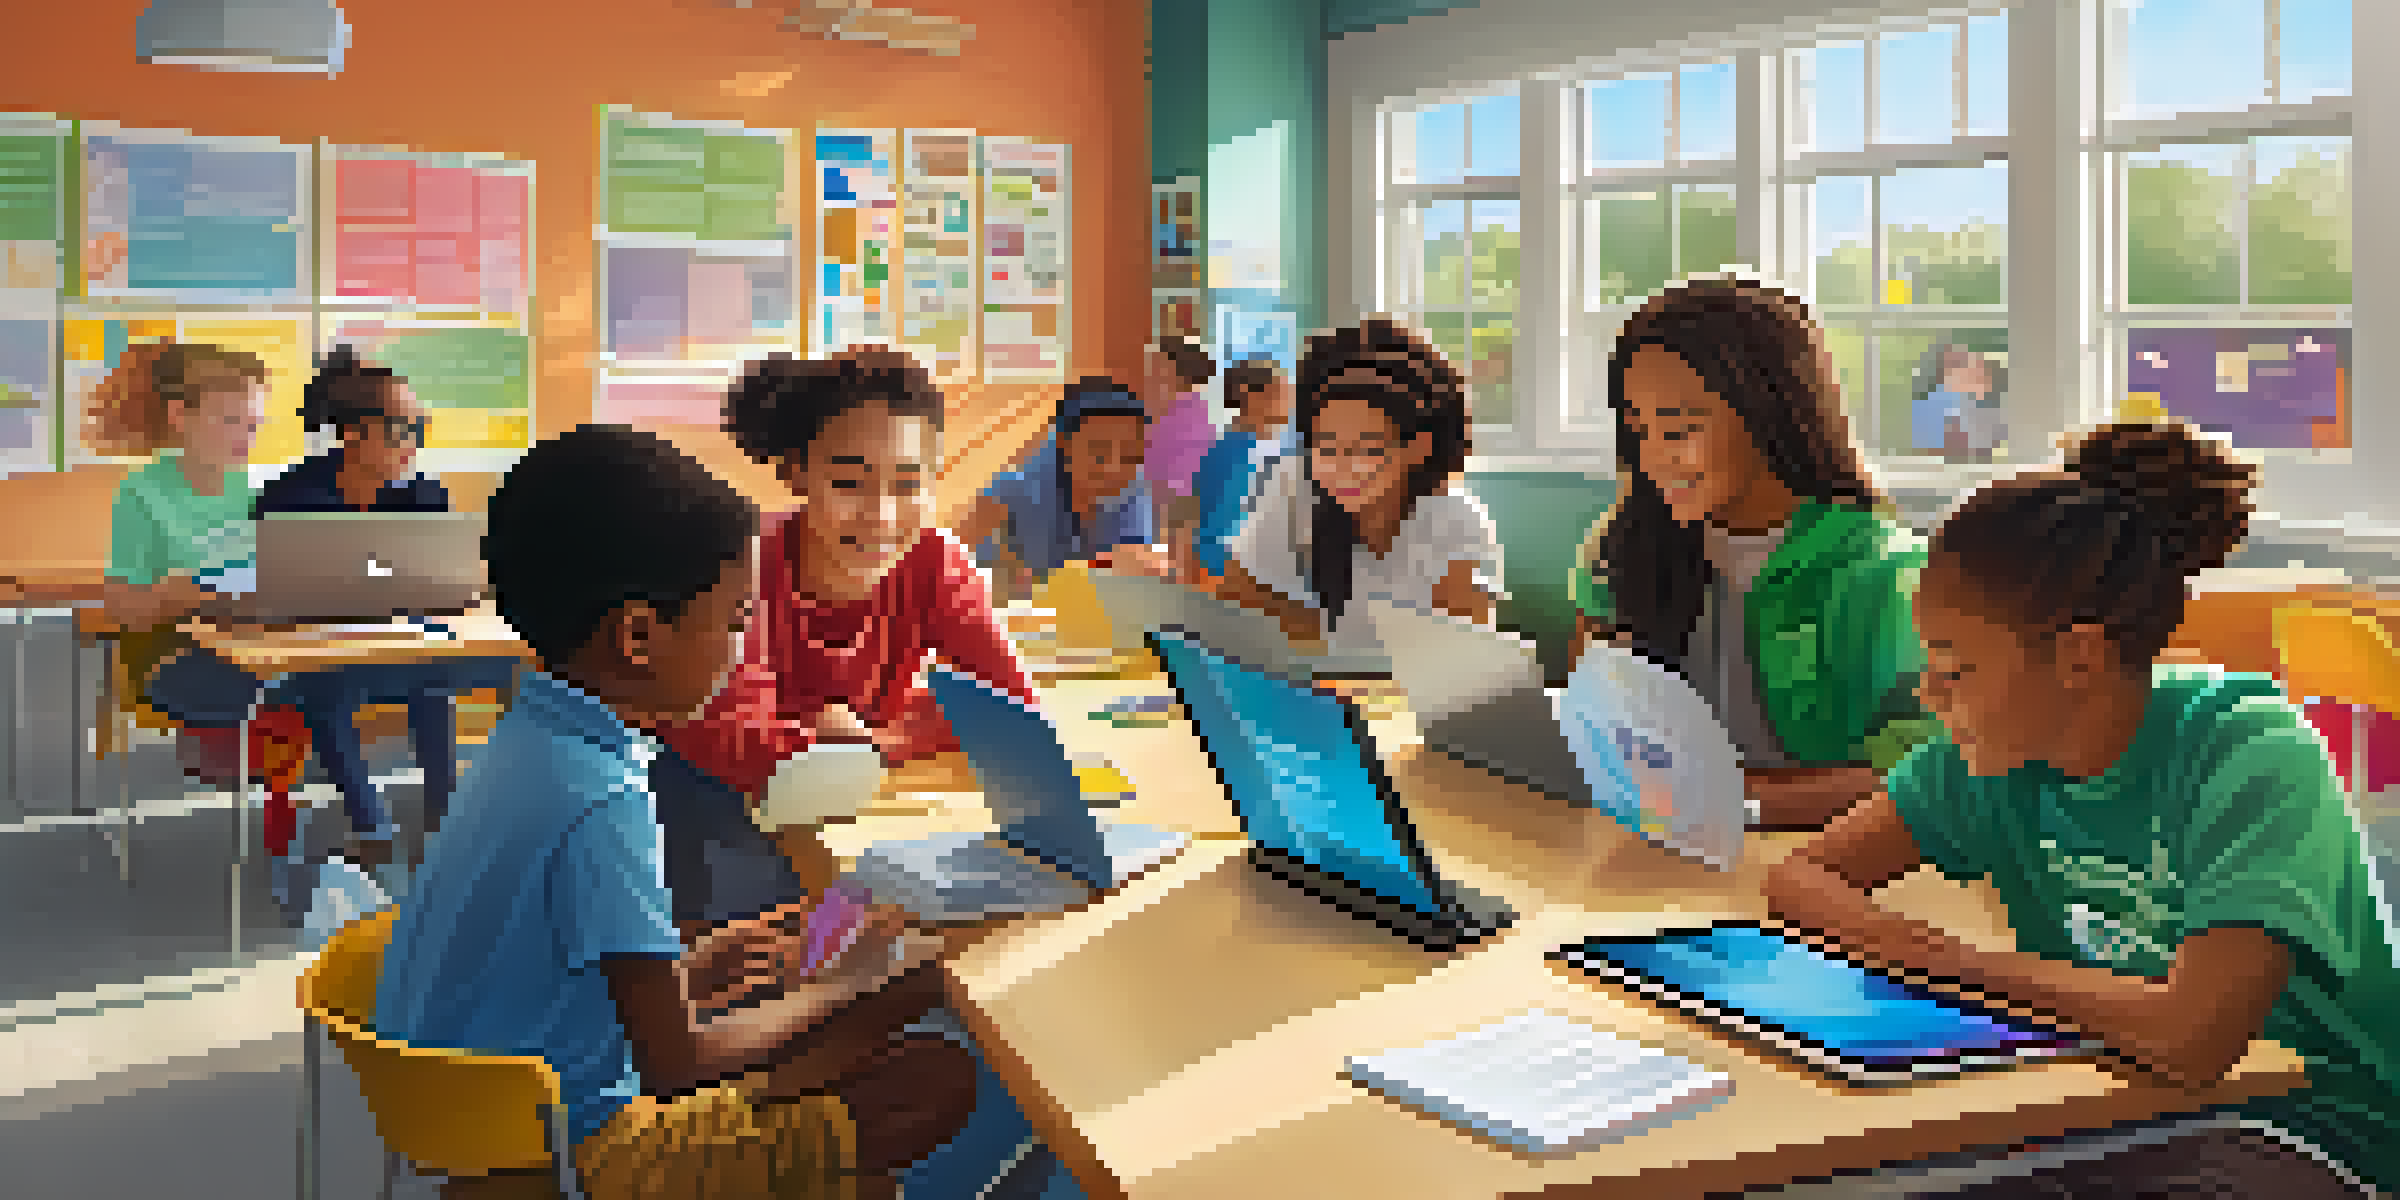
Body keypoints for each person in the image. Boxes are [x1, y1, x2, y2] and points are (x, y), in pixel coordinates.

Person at [1766, 422, 2400, 1199]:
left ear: (2079, 659)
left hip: (2303, 1133)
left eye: (1954, 669)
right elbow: (1802, 877)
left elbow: (2192, 1036)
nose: (1929, 697)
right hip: (2102, 1106)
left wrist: (1952, 966)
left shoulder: (2248, 753)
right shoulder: (1988, 758)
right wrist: (1897, 943)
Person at [374, 425, 976, 1200]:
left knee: (828, 1009)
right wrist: (845, 991)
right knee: (926, 1056)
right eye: (731, 623)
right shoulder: (602, 802)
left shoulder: (530, 737)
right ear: (637, 636)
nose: (737, 651)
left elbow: (574, 980)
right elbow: (676, 1063)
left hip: (490, 1112)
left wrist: (693, 966)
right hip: (585, 1154)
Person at [652, 347, 1039, 933]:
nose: (881, 515)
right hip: (714, 802)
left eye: (908, 484)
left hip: (841, 792)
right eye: (849, 482)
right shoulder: (740, 565)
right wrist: (850, 745)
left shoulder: (935, 560)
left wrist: (873, 744)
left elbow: (1006, 705)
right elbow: (735, 734)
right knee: (750, 966)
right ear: (795, 471)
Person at [1570, 277, 1940, 831]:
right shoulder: (1620, 546)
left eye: (1678, 430)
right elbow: (1595, 723)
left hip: (1816, 865)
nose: (1652, 461)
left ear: (1772, 414)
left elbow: (1932, 777)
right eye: (1639, 432)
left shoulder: (1886, 575)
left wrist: (1725, 800)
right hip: (1652, 852)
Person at [251, 345, 517, 878]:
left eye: (420, 427)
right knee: (320, 686)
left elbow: (453, 584)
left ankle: (445, 822)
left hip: (408, 644)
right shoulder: (291, 496)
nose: (414, 443)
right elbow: (277, 590)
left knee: (439, 677)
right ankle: (371, 828)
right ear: (353, 433)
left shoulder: (426, 495)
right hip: (324, 651)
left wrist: (468, 584)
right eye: (402, 428)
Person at [86, 342, 314, 813]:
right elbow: (121, 607)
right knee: (282, 692)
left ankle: (287, 810)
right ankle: (274, 809)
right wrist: (176, 596)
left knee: (326, 680)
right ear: (179, 416)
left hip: (255, 646)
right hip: (172, 655)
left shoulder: (256, 492)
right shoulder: (141, 494)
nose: (245, 436)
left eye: (253, 425)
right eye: (230, 421)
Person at [1212, 317, 1502, 659]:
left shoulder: (1453, 521)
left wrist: (1310, 635)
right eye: (1325, 445)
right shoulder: (1297, 485)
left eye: (1364, 448)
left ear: (1418, 447)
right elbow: (1234, 603)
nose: (1340, 467)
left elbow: (1461, 660)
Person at [956, 376, 1166, 596]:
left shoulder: (1134, 489)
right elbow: (954, 549)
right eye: (1099, 451)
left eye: (1129, 455)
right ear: (1064, 444)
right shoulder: (1020, 488)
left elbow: (1140, 564)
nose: (1113, 467)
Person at [1188, 356, 1298, 583]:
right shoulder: (1236, 455)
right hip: (1234, 582)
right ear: (1248, 394)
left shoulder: (1266, 449)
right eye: (1282, 393)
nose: (1291, 403)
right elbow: (1224, 535)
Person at [1142, 335, 1220, 575]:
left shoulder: (1190, 416)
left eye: (1156, 367)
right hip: (1156, 513)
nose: (1148, 375)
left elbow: (1180, 488)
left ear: (1177, 373)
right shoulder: (1163, 410)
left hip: (1172, 518)